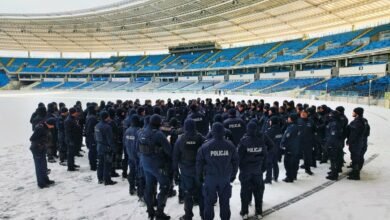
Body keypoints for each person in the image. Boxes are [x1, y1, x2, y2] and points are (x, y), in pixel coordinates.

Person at [196, 122, 239, 220]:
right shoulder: (230, 145)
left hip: (210, 178)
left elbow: (199, 163)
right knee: (225, 202)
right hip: (225, 177)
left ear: (213, 132)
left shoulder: (205, 146)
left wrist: (199, 176)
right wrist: (233, 174)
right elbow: (236, 161)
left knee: (208, 202)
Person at [138, 114, 172, 220]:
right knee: (165, 185)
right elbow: (169, 150)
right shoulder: (158, 134)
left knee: (149, 186)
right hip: (157, 165)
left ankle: (150, 211)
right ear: (158, 124)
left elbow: (137, 148)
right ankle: (160, 212)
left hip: (145, 164)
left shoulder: (141, 132)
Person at [173, 119, 206, 220]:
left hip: (186, 171)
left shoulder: (180, 139)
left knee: (187, 193)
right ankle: (203, 215)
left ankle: (188, 215)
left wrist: (175, 172)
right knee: (201, 194)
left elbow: (175, 156)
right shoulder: (200, 138)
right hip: (199, 171)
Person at [238, 122, 272, 219]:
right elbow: (265, 156)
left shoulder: (244, 141)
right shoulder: (261, 141)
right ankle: (259, 211)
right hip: (257, 171)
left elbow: (239, 157)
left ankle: (244, 212)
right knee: (258, 191)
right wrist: (262, 169)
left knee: (244, 191)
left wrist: (241, 168)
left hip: (246, 171)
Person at [30, 118, 57, 189]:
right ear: (49, 124)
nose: (53, 127)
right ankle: (41, 183)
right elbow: (32, 138)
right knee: (39, 167)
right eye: (52, 125)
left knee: (44, 165)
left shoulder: (44, 126)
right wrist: (40, 143)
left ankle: (46, 180)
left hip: (42, 148)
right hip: (37, 149)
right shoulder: (40, 128)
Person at [95, 111, 117, 185]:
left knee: (100, 163)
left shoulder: (97, 125)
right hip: (106, 147)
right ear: (106, 117)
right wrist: (114, 148)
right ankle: (107, 180)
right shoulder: (107, 127)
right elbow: (110, 139)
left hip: (99, 146)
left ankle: (100, 178)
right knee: (107, 164)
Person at [124, 115, 142, 196]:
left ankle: (131, 188)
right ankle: (139, 189)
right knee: (139, 172)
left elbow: (124, 142)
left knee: (131, 171)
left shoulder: (127, 130)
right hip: (137, 156)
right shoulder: (139, 131)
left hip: (130, 154)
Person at [346, 107, 366, 180]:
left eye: (353, 112)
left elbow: (354, 134)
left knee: (355, 159)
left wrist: (349, 141)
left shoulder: (358, 122)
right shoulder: (359, 120)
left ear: (356, 113)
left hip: (356, 143)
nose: (352, 113)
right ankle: (354, 172)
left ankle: (356, 175)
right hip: (357, 143)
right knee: (354, 158)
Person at [281, 114, 301, 183]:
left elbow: (286, 137)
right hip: (296, 147)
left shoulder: (291, 127)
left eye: (289, 118)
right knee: (295, 162)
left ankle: (289, 177)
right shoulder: (297, 126)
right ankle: (293, 175)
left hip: (290, 148)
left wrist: (282, 144)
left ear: (292, 119)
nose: (288, 119)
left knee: (288, 163)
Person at [325, 111, 344, 180]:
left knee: (333, 159)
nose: (329, 116)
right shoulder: (336, 122)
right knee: (334, 159)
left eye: (331, 115)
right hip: (336, 143)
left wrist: (329, 145)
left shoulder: (334, 124)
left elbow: (333, 136)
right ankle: (333, 171)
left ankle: (334, 174)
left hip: (333, 144)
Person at [265, 116, 283, 183]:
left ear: (272, 122)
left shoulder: (270, 130)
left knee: (269, 164)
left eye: (270, 121)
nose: (269, 122)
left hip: (270, 149)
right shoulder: (280, 129)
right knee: (275, 163)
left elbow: (265, 140)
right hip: (277, 148)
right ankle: (275, 176)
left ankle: (268, 179)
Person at [297, 109, 316, 175]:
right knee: (296, 156)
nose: (303, 114)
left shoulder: (311, 121)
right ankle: (295, 170)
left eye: (304, 113)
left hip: (308, 142)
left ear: (307, 114)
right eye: (302, 113)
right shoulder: (297, 121)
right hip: (298, 142)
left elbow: (314, 131)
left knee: (307, 157)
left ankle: (307, 169)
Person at [64, 107, 81, 171]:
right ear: (73, 113)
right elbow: (68, 132)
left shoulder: (73, 119)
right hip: (70, 139)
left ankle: (72, 164)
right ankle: (70, 167)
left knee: (72, 153)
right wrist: (70, 140)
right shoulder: (68, 120)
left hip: (73, 139)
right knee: (70, 154)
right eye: (76, 112)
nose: (77, 113)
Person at [85, 105, 99, 171]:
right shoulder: (92, 118)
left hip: (90, 136)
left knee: (92, 151)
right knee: (92, 151)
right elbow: (90, 129)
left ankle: (93, 164)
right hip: (92, 137)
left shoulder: (90, 116)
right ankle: (93, 166)